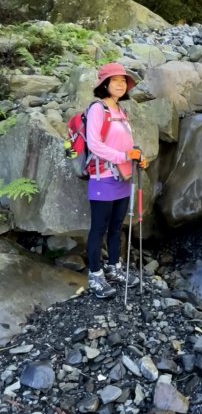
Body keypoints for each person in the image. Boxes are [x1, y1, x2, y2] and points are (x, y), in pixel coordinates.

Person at [86, 62, 147, 299]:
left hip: (124, 177)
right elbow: (95, 145)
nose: (121, 84)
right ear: (105, 84)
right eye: (116, 80)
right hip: (103, 178)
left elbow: (126, 145)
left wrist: (138, 157)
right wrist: (124, 156)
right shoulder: (98, 109)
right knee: (98, 229)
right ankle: (95, 275)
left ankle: (114, 268)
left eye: (124, 81)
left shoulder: (121, 111)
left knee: (116, 227)